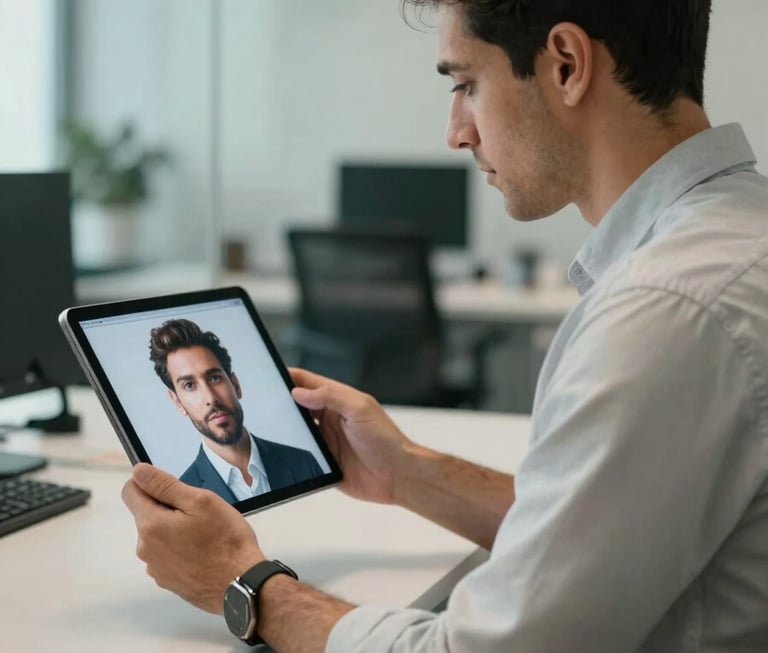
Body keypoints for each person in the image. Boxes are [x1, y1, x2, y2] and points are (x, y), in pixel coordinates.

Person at [123, 1, 768, 651]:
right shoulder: (733, 240)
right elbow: (604, 530)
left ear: (567, 65)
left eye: (465, 85)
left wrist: (243, 582)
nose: (456, 132)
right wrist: (405, 470)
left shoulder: (667, 308)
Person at [148, 318, 323, 503]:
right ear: (178, 403)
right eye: (189, 385)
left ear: (236, 385)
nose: (211, 398)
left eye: (214, 378)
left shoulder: (303, 462)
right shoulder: (182, 499)